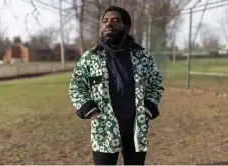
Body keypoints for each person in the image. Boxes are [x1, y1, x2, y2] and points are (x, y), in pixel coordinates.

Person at [69, 6, 164, 165]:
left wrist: (148, 108)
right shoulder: (90, 57)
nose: (108, 24)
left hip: (135, 127)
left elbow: (156, 82)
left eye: (115, 20)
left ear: (126, 26)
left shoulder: (142, 56)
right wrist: (89, 109)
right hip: (104, 128)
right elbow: (76, 85)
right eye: (105, 21)